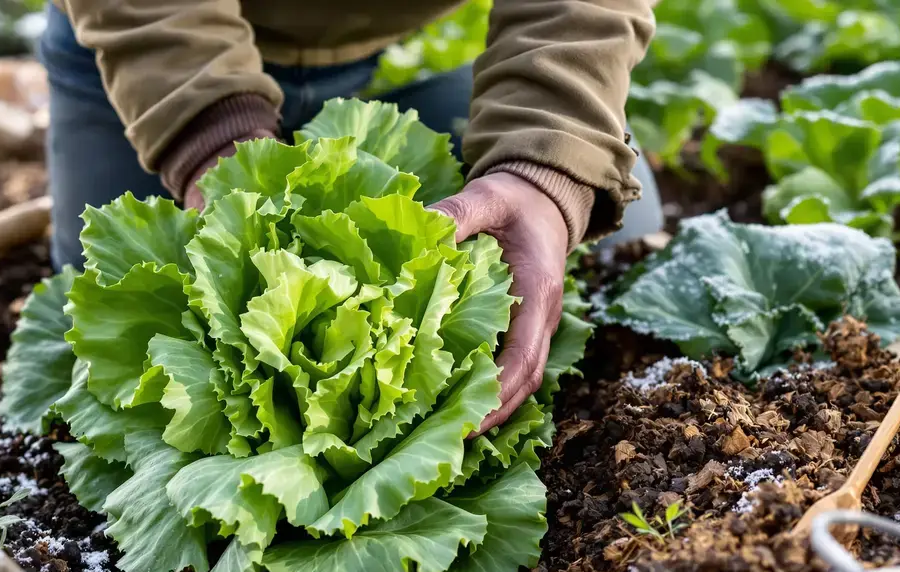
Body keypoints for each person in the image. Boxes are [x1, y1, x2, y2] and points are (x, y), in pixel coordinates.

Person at [38, 0, 662, 432]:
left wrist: (544, 167)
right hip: (143, 50)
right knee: (90, 334)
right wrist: (205, 136)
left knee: (620, 231)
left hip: (409, 50)